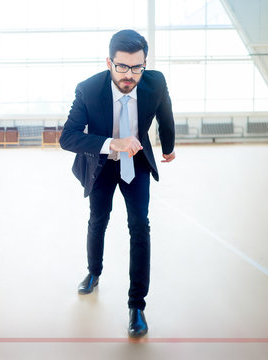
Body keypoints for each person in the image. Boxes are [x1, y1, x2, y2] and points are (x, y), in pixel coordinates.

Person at [59, 29, 176, 338]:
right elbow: (67, 137)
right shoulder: (88, 89)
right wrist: (113, 143)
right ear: (108, 62)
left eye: (137, 67)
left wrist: (168, 147)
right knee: (98, 219)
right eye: (122, 67)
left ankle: (137, 305)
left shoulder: (155, 82)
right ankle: (94, 272)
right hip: (102, 164)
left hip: (136, 164)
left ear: (145, 64)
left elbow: (166, 114)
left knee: (140, 226)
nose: (130, 75)